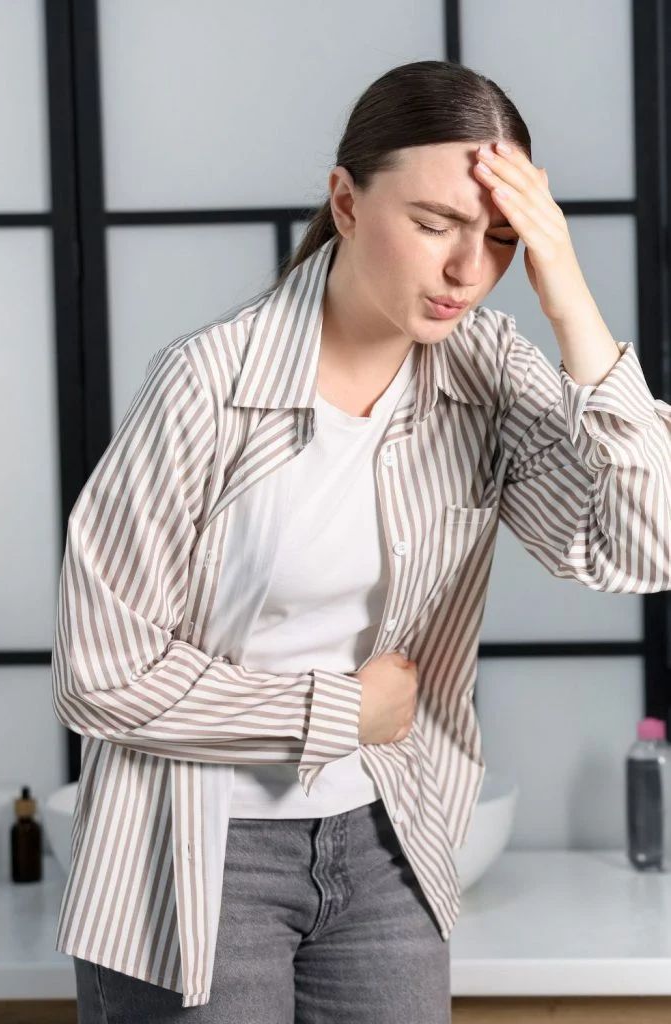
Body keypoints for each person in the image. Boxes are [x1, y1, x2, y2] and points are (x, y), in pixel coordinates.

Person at [54, 59, 671, 1022]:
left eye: (502, 239)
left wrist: (572, 307)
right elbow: (99, 673)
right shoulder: (207, 384)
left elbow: (642, 549)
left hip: (386, 843)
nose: (467, 271)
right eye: (433, 224)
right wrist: (343, 713)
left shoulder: (485, 373)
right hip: (192, 852)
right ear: (345, 201)